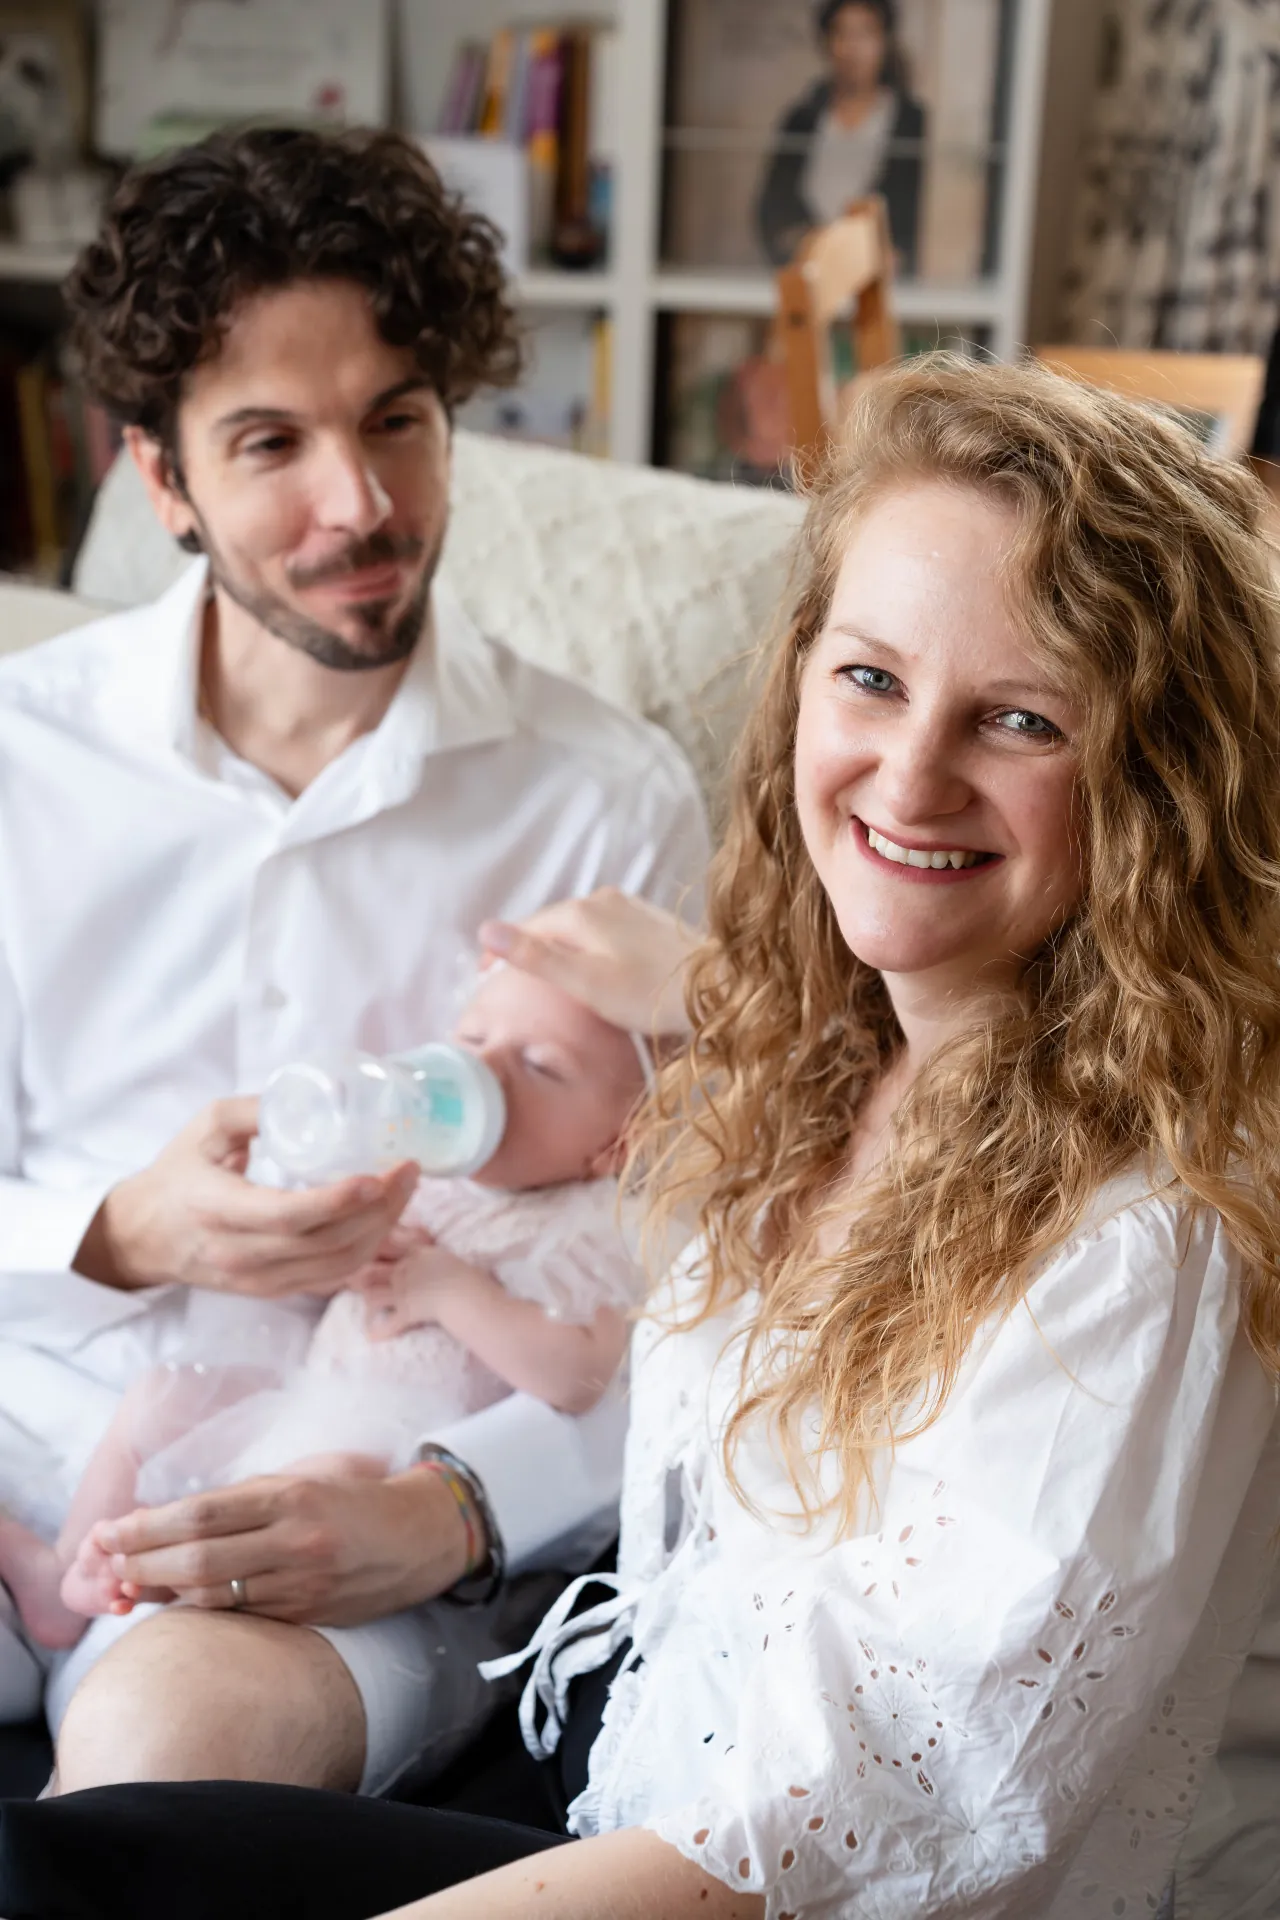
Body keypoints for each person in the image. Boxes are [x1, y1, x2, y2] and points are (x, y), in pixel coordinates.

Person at [6, 355, 1279, 1919]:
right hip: (619, 1770)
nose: (912, 772)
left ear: (1155, 786)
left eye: (1021, 719)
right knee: (80, 1860)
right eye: (870, 680)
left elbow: (879, 1806)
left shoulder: (1151, 1228)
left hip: (768, 1889)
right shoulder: (831, 1055)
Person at [0, 125, 709, 1798]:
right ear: (160, 479)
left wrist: (454, 1511)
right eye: (272, 443)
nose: (364, 503)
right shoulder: (19, 759)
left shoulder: (601, 806)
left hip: (369, 1469)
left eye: (397, 418)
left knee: (163, 1758)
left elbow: (703, 1312)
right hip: (37, 1410)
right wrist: (113, 1230)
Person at [0, 963, 651, 1649]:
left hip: (392, 1449)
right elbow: (325, 1280)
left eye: (540, 1066)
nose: (483, 1069)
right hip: (309, 1387)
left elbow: (582, 1379)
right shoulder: (417, 1174)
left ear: (615, 1144)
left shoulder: (588, 1231)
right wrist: (338, 1255)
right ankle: (66, 1571)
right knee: (164, 1396)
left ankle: (159, 1579)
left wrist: (454, 1293)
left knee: (298, 1504)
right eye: (473, 1035)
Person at [757, 0, 926, 272]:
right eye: (842, 33)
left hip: (877, 283)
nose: (852, 48)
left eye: (865, 33)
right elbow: (772, 211)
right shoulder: (801, 119)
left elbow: (911, 220)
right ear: (826, 42)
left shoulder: (910, 121)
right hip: (808, 276)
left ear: (885, 41)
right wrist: (808, 242)